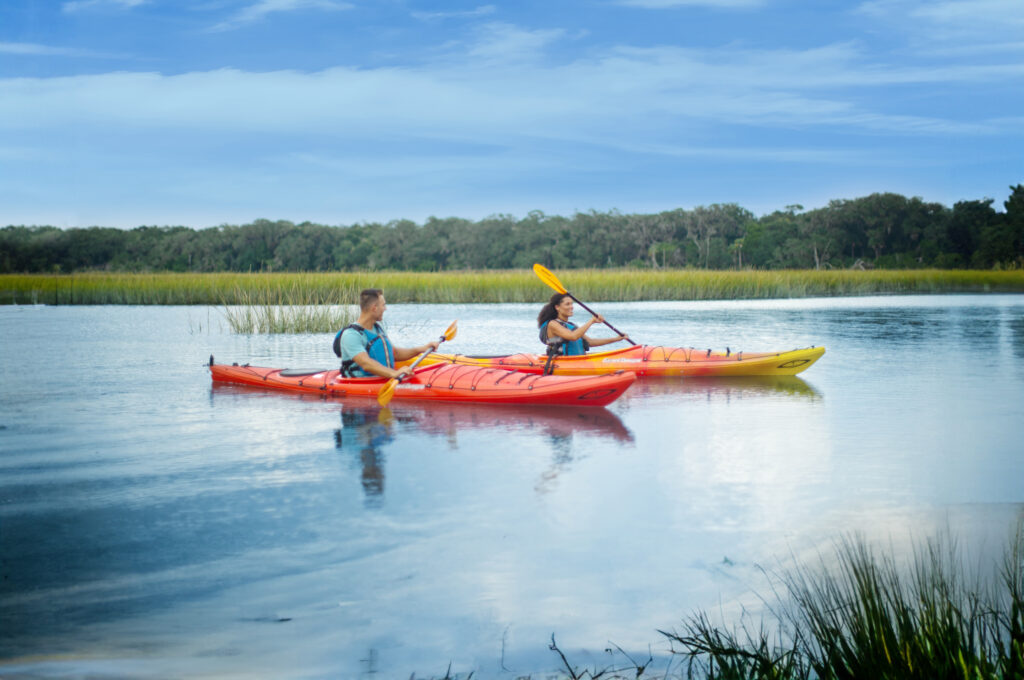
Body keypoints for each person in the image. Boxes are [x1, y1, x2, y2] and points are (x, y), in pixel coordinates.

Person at [334, 288, 439, 378]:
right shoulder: (351, 335)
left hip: (384, 379)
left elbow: (395, 354)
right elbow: (365, 363)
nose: (385, 308)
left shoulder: (378, 329)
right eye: (383, 305)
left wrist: (421, 349)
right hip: (362, 384)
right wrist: (394, 373)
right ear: (374, 308)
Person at [536, 292, 629, 356]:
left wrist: (616, 339)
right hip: (561, 363)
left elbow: (590, 342)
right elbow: (573, 336)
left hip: (577, 361)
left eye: (572, 304)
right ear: (557, 307)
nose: (571, 307)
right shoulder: (552, 324)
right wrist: (591, 321)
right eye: (567, 304)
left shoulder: (570, 325)